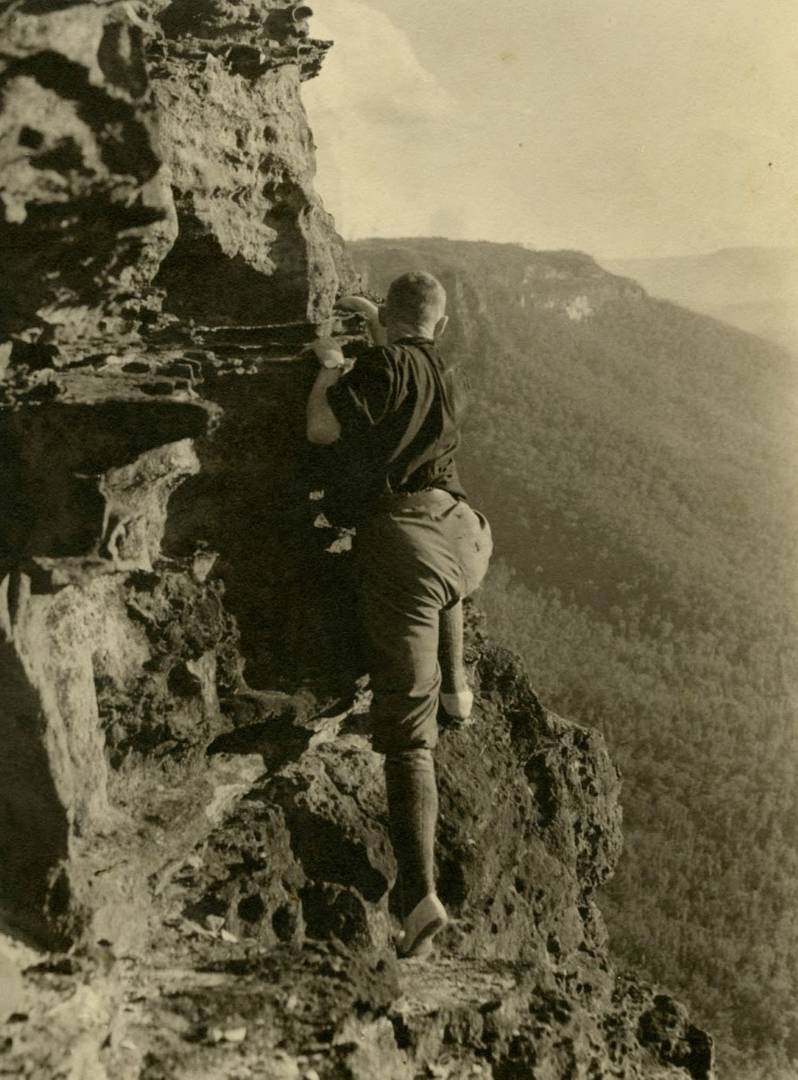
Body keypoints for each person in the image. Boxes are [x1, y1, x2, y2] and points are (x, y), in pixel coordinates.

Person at [305, 272, 492, 957]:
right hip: (466, 535)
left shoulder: (379, 363)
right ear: (438, 324)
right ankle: (458, 688)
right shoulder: (444, 369)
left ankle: (418, 899)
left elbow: (324, 429)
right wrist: (384, 332)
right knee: (445, 582)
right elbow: (406, 368)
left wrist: (330, 368)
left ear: (387, 314)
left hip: (409, 548)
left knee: (406, 741)